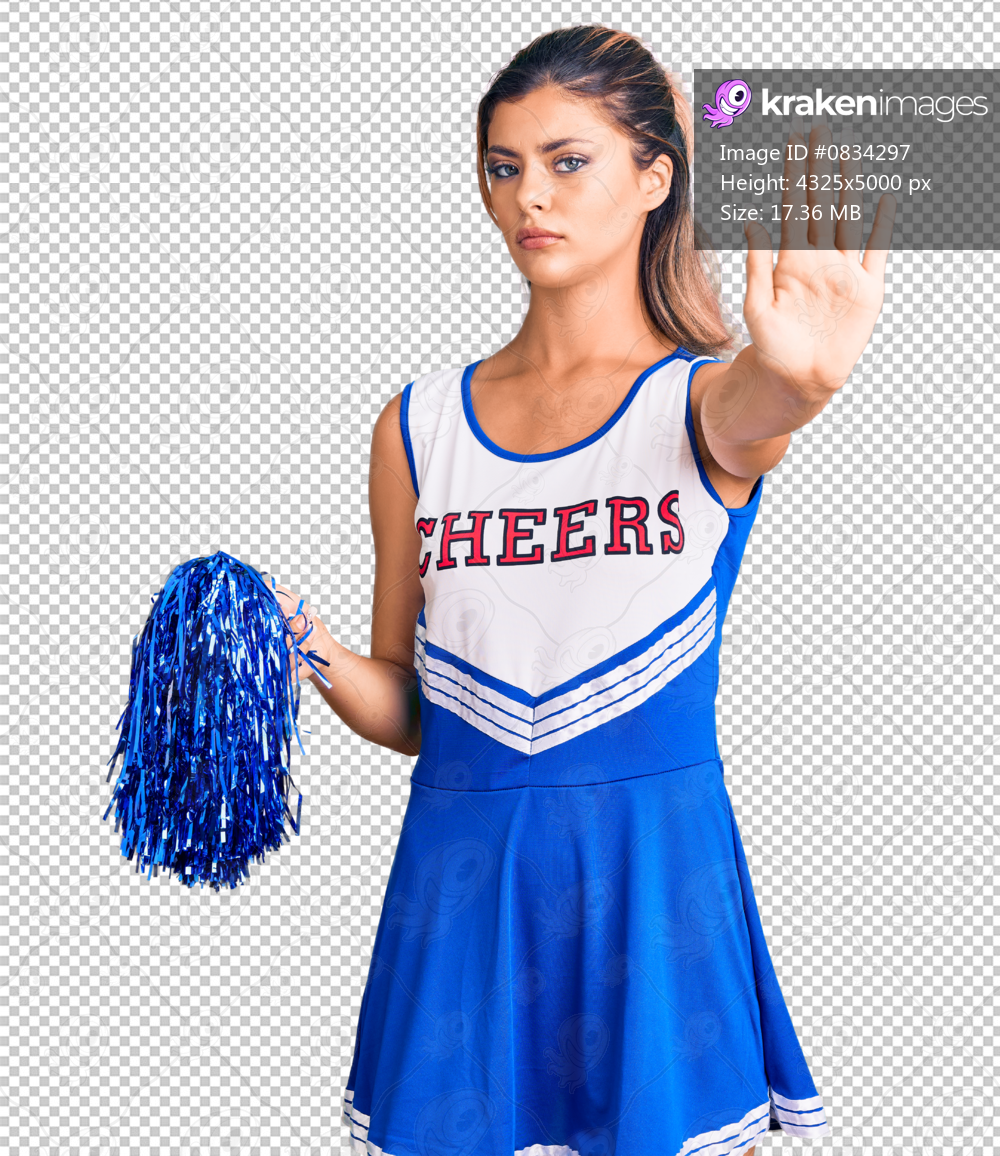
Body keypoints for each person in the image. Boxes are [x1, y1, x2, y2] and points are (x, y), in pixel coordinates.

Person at [275, 25, 894, 1156]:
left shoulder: (702, 402)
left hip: (652, 882)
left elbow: (762, 401)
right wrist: (299, 648)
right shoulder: (415, 423)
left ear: (654, 179)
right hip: (464, 890)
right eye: (504, 166)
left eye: (569, 162)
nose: (529, 198)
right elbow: (416, 711)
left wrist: (800, 379)